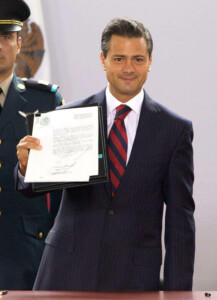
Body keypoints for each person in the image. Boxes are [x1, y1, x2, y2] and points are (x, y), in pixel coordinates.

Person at [15, 17, 195, 291]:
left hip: (134, 280)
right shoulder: (66, 118)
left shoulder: (174, 130)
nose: (128, 69)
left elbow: (180, 223)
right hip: (65, 273)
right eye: (119, 58)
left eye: (137, 59)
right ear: (103, 60)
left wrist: (178, 294)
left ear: (149, 61)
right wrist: (27, 167)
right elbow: (34, 189)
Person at [0, 0, 64, 290]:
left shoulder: (45, 102)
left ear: (19, 43)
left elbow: (61, 191)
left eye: (5, 37)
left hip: (28, 261)